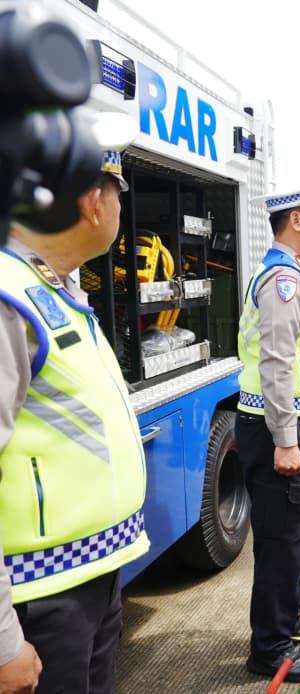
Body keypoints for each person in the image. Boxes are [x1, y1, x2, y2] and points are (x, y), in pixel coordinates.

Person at [0, 143, 149, 692]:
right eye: (119, 194)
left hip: (85, 580)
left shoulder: (51, 291)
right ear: (92, 200)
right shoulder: (8, 297)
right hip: (39, 600)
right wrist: (3, 642)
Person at [238, 177, 300, 682]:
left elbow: (299, 361)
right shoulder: (285, 281)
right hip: (276, 427)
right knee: (281, 539)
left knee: (293, 536)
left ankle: (289, 625)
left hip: (292, 422)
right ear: (295, 219)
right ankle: (270, 648)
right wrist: (284, 439)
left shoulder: (293, 274)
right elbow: (276, 363)